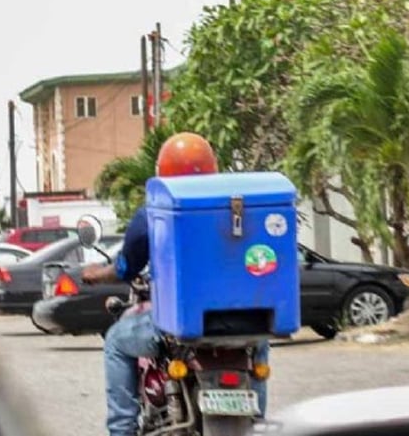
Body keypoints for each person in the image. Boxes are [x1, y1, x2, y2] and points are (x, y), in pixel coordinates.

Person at [81, 132, 270, 436]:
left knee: (116, 341)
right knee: (257, 341)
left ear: (161, 173)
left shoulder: (154, 212)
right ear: (213, 169)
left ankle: (121, 429)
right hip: (241, 320)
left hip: (182, 326)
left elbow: (126, 267)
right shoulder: (240, 208)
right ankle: (258, 422)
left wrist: (97, 274)